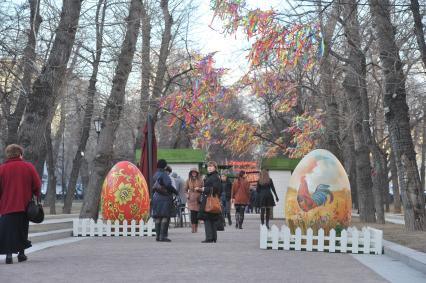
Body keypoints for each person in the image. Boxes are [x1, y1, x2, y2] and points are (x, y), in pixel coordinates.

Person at [0, 144, 41, 264]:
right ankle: (21, 254)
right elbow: (37, 185)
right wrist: (35, 194)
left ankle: (8, 256)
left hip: (7, 206)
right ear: (20, 154)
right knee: (22, 230)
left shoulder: (2, 169)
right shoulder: (28, 167)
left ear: (8, 154)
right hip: (24, 205)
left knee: (8, 231)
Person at [151, 159, 178, 242]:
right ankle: (163, 236)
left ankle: (158, 236)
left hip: (156, 197)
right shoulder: (164, 174)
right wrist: (175, 192)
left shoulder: (155, 174)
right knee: (165, 216)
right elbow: (168, 185)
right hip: (165, 197)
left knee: (158, 216)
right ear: (165, 166)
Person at [198, 161, 222, 243]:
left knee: (207, 219)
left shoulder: (215, 177)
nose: (209, 168)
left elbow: (215, 189)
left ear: (215, 167)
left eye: (211, 166)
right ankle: (213, 237)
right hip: (209, 198)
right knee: (211, 219)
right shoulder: (211, 176)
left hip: (210, 199)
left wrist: (203, 189)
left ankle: (209, 237)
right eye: (208, 166)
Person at [185, 168, 203, 233]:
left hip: (198, 198)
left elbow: (203, 188)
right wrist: (187, 195)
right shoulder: (188, 180)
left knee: (197, 214)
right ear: (191, 173)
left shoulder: (200, 180)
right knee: (193, 213)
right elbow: (185, 189)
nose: (194, 173)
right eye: (192, 172)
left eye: (195, 172)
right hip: (191, 198)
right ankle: (193, 228)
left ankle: (196, 228)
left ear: (197, 173)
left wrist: (199, 189)